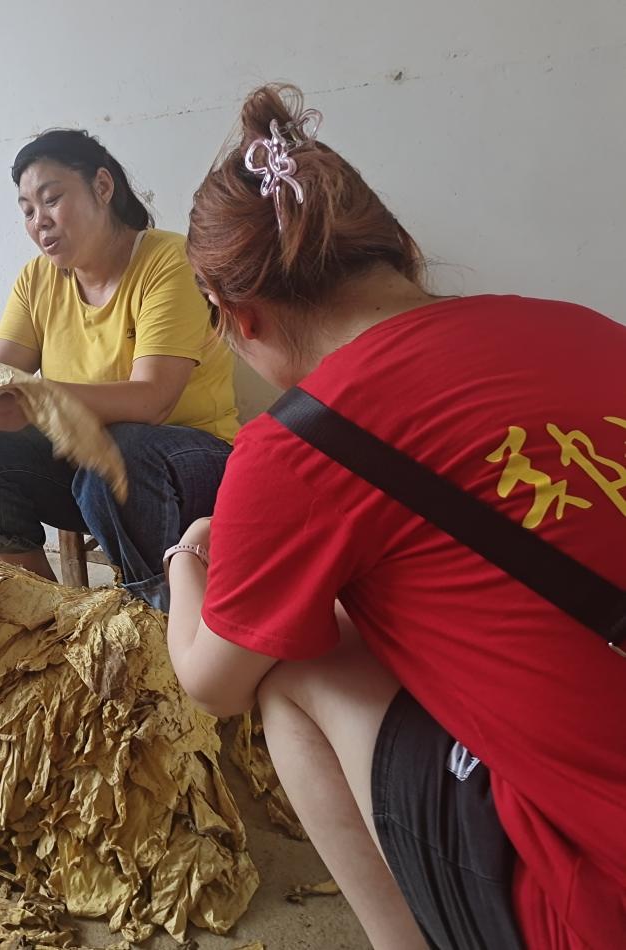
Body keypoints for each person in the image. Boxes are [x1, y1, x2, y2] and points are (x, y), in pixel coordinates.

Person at [165, 83, 626, 949]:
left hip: (596, 904)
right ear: (401, 252)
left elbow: (211, 682)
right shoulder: (582, 326)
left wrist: (185, 560)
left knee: (290, 665)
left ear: (239, 318)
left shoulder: (298, 444)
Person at [0, 129, 238, 610]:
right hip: (92, 477)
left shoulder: (168, 262)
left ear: (102, 186)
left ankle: (158, 620)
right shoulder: (37, 279)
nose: (40, 222)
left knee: (119, 448)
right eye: (27, 211)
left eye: (52, 199)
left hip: (189, 466)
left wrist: (37, 398)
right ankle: (45, 615)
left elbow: (152, 400)